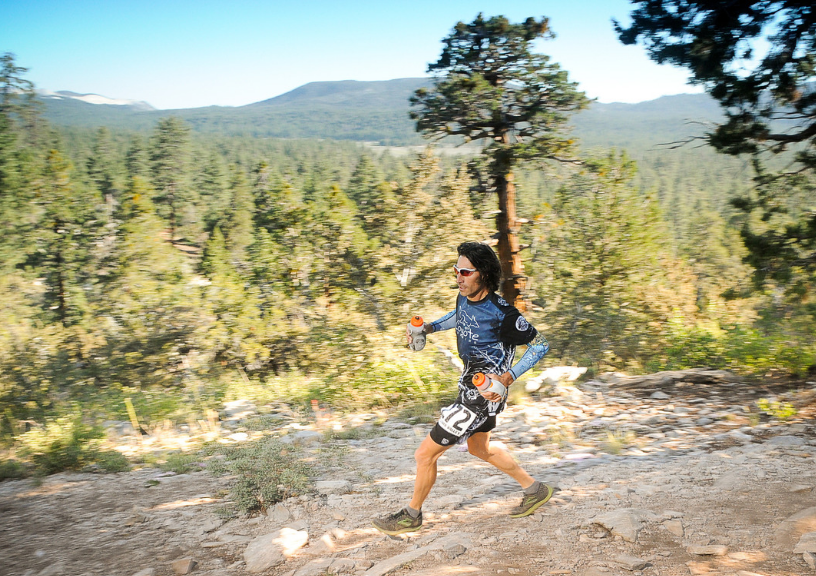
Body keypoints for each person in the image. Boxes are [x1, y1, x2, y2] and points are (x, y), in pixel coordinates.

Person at [372, 241, 553, 536]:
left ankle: (411, 515)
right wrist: (428, 328)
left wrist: (508, 377)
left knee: (424, 455)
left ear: (483, 273)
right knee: (479, 448)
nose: (459, 277)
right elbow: (459, 317)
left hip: (481, 395)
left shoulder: (502, 313)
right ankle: (534, 489)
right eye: (456, 270)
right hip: (470, 386)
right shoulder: (464, 297)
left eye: (465, 272)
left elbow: (540, 344)